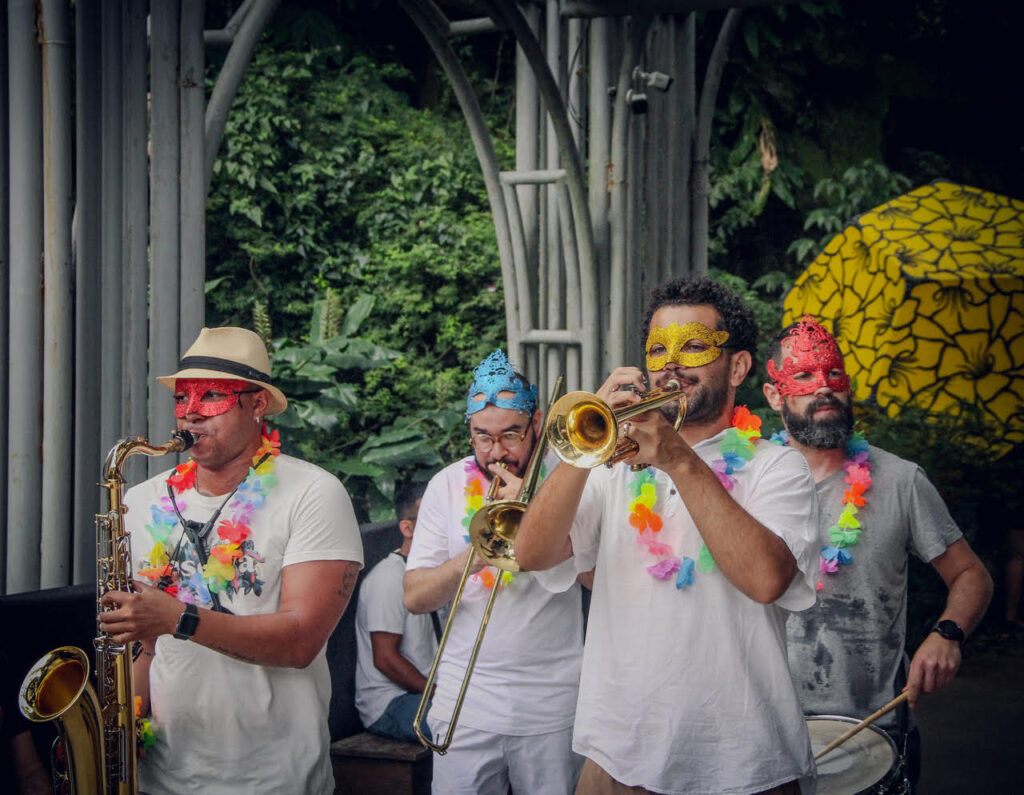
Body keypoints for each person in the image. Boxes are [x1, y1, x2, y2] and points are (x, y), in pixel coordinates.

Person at [516, 276, 820, 795]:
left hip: (741, 763)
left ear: (739, 367)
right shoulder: (612, 468)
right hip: (616, 757)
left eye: (695, 346)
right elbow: (531, 552)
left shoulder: (778, 468)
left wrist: (677, 456)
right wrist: (582, 451)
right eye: (658, 351)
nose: (671, 365)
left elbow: (767, 580)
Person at [98, 326, 364, 795]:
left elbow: (300, 642)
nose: (192, 414)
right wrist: (119, 732)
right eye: (182, 399)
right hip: (159, 777)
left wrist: (179, 618)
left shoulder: (313, 494)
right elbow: (146, 646)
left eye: (213, 396)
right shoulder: (139, 501)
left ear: (257, 404)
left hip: (274, 778)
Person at [762, 316, 994, 785]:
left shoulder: (901, 481)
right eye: (804, 376)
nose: (823, 388)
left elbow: (972, 575)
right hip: (763, 730)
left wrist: (947, 633)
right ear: (774, 396)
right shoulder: (747, 483)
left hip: (874, 729)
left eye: (834, 374)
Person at [404, 350, 585, 795]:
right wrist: (479, 554)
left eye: (510, 435)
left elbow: (590, 572)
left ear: (537, 425)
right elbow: (414, 598)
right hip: (465, 703)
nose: (496, 452)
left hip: (553, 704)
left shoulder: (570, 482)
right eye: (481, 437)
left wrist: (536, 507)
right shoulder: (446, 486)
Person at [355, 481, 438, 743]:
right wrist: (440, 695)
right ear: (407, 527)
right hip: (390, 703)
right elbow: (386, 659)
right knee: (468, 724)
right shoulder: (388, 578)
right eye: (432, 517)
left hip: (425, 695)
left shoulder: (437, 573)